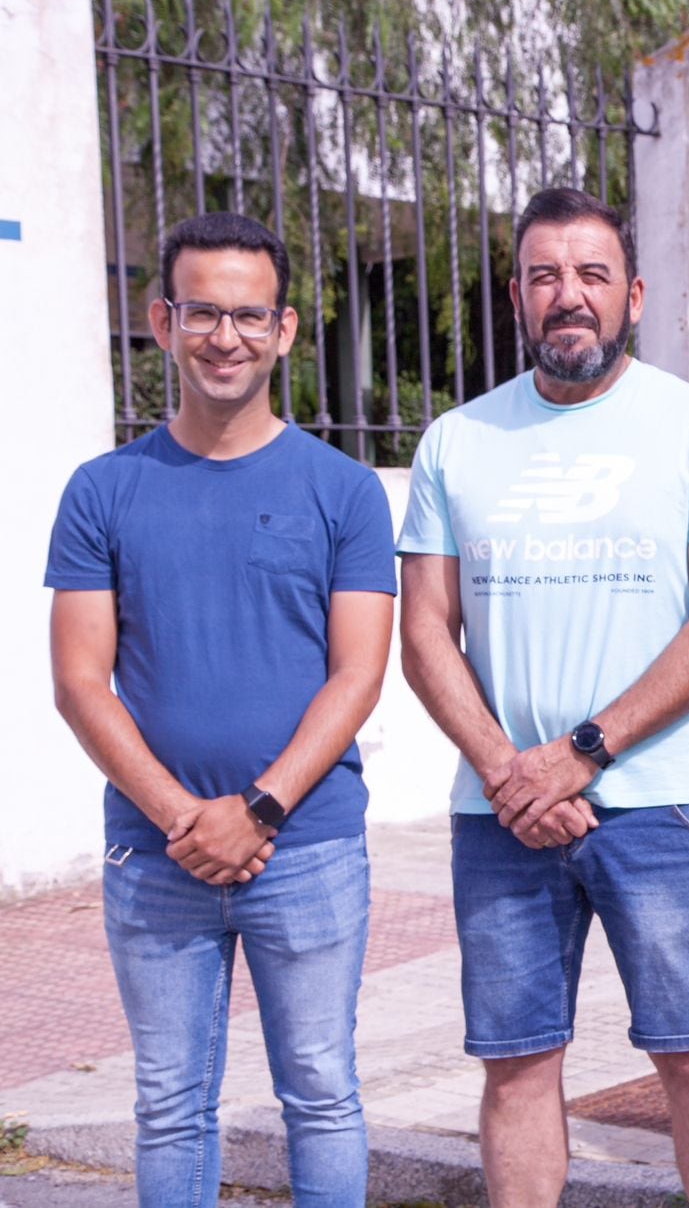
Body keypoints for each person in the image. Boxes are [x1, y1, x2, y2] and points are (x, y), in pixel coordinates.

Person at [397, 187, 689, 1208]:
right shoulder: (457, 440)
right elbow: (425, 628)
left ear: (634, 295)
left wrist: (581, 753)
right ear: (517, 294)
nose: (570, 296)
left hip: (664, 803)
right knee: (517, 1064)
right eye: (546, 276)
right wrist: (506, 770)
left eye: (593, 275)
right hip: (501, 812)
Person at [46, 212, 396, 1206]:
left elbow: (357, 675)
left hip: (310, 846)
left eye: (248, 316)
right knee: (167, 1103)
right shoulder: (103, 490)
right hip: (155, 857)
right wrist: (181, 819)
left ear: (284, 329)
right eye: (203, 312)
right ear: (163, 320)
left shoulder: (343, 490)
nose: (225, 337)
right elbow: (78, 682)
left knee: (322, 1092)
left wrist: (260, 809)